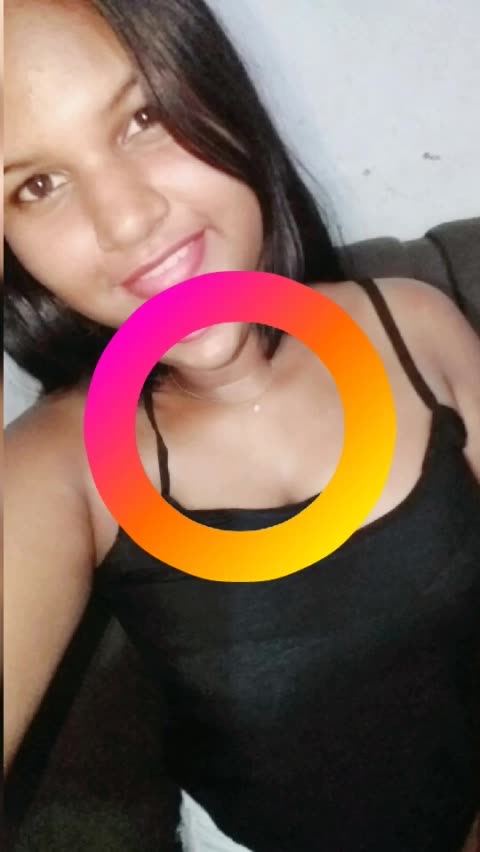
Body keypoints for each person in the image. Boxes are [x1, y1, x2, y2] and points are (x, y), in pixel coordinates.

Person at [3, 1, 480, 850]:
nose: (126, 219)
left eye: (143, 117)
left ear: (213, 90)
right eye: (35, 186)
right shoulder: (55, 469)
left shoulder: (418, 324)